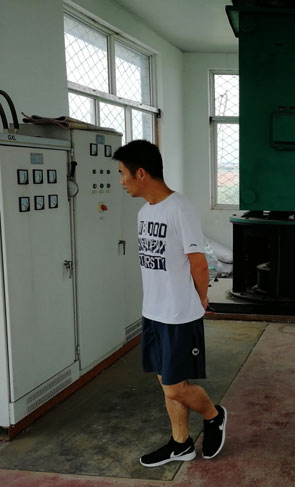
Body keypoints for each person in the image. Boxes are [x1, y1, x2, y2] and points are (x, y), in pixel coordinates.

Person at [114, 140, 227, 467]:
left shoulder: (180, 208)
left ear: (141, 173)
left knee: (176, 387)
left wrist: (200, 299)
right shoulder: (145, 212)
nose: (121, 181)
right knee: (167, 384)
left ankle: (214, 415)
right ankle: (181, 444)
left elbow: (199, 263)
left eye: (122, 173)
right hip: (154, 311)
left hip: (179, 314)